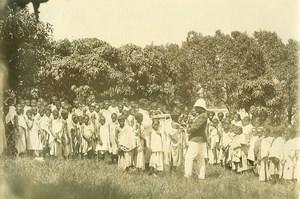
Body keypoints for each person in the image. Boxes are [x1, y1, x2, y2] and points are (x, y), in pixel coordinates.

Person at [184, 98, 208, 179]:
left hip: (196, 139)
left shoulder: (202, 116)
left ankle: (187, 175)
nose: (195, 109)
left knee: (189, 158)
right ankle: (201, 176)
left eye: (197, 107)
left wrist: (188, 130)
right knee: (200, 158)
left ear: (201, 108)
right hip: (200, 139)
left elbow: (195, 127)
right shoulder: (201, 116)